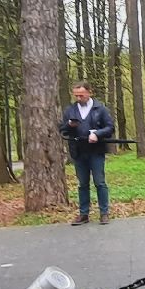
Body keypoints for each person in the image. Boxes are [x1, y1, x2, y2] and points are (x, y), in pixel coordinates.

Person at [58, 82, 116, 226]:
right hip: (78, 151)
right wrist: (69, 126)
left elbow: (110, 127)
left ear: (89, 92)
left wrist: (98, 134)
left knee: (100, 182)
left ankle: (104, 213)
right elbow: (62, 129)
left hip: (96, 151)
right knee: (83, 184)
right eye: (76, 95)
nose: (78, 98)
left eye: (81, 95)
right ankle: (84, 214)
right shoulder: (70, 110)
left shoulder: (100, 109)